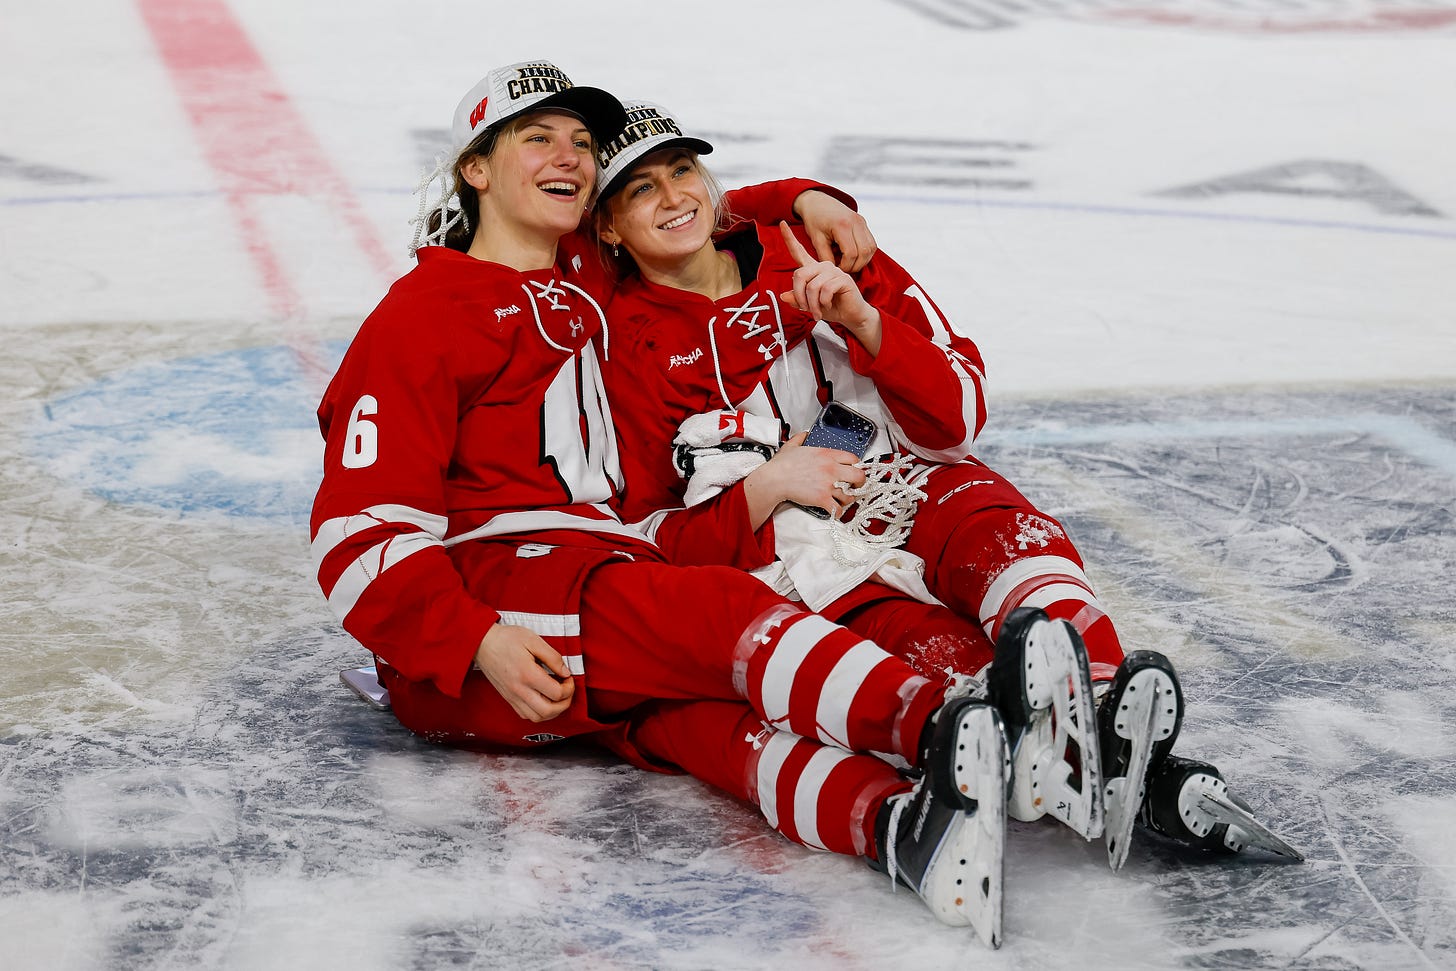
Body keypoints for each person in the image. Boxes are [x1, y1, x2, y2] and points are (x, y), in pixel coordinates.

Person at [310, 60, 1043, 945]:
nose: (569, 157)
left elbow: (674, 210)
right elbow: (356, 536)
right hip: (493, 597)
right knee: (722, 611)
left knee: (700, 722)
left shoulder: (577, 270)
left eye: (580, 143)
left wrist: (801, 196)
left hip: (591, 573)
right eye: (536, 137)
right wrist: (476, 639)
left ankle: (894, 825)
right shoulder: (422, 314)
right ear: (475, 167)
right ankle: (948, 730)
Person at [592, 101, 1304, 869]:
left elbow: (958, 418)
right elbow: (660, 535)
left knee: (996, 527)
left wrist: (868, 325)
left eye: (682, 170)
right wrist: (767, 484)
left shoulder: (811, 245)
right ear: (606, 227)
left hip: (909, 481)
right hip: (799, 549)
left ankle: (1103, 710)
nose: (673, 197)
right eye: (639, 190)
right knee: (926, 646)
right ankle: (1043, 749)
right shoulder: (617, 341)